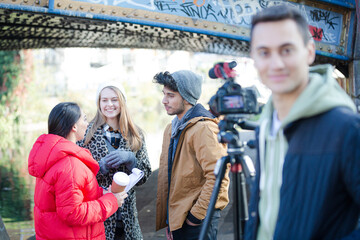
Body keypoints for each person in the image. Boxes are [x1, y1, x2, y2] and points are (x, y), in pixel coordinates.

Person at [245, 4, 360, 240]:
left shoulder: (346, 128)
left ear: (309, 51)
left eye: (286, 50)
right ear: (254, 58)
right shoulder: (266, 125)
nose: (276, 64)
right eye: (264, 52)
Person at [28, 102, 127, 240]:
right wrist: (112, 201)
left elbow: (68, 196)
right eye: (84, 119)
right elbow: (73, 213)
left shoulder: (51, 156)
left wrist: (102, 192)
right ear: (74, 126)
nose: (87, 124)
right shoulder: (70, 165)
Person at [153, 70, 230, 240]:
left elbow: (219, 177)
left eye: (171, 95)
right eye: (164, 94)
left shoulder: (204, 128)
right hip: (178, 219)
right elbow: (169, 179)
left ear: (187, 97)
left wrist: (195, 218)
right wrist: (171, 221)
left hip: (198, 220)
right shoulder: (171, 128)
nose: (164, 100)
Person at [78, 81, 152, 240]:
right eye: (104, 100)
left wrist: (132, 161)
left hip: (128, 219)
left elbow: (145, 174)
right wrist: (99, 167)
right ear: (98, 103)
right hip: (99, 217)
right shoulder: (86, 134)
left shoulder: (135, 134)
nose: (109, 104)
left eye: (114, 99)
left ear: (122, 102)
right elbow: (76, 177)